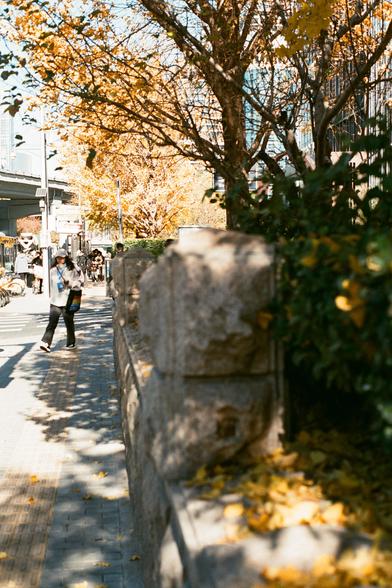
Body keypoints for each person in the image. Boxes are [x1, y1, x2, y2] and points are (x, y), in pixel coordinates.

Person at [39, 248, 84, 352]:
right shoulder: (52, 270)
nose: (60, 260)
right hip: (55, 301)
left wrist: (71, 283)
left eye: (62, 258)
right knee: (52, 323)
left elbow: (80, 280)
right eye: (58, 258)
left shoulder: (72, 268)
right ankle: (46, 343)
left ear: (66, 258)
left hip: (68, 300)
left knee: (69, 323)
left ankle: (71, 343)